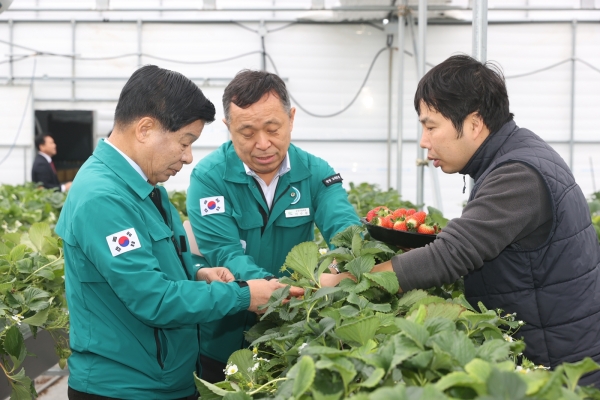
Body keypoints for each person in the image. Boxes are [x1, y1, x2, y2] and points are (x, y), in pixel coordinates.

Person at [326, 54, 600, 386]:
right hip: (553, 353)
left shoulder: (519, 175)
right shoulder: (517, 154)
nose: (425, 141)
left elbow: (450, 255)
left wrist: (351, 280)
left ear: (474, 123)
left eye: (431, 126)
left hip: (560, 373)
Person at [55, 65, 302, 400]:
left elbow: (164, 260)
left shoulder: (146, 187)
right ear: (145, 129)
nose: (188, 157)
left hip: (165, 380)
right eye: (185, 142)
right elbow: (151, 297)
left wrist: (198, 272)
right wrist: (244, 295)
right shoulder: (103, 198)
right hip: (125, 389)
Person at [186, 69, 360, 382]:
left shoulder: (315, 172)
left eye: (273, 128)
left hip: (297, 335)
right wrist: (284, 292)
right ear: (228, 128)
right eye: (247, 132)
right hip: (226, 339)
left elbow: (345, 228)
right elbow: (225, 254)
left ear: (291, 119)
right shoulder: (209, 178)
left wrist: (341, 267)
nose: (263, 144)